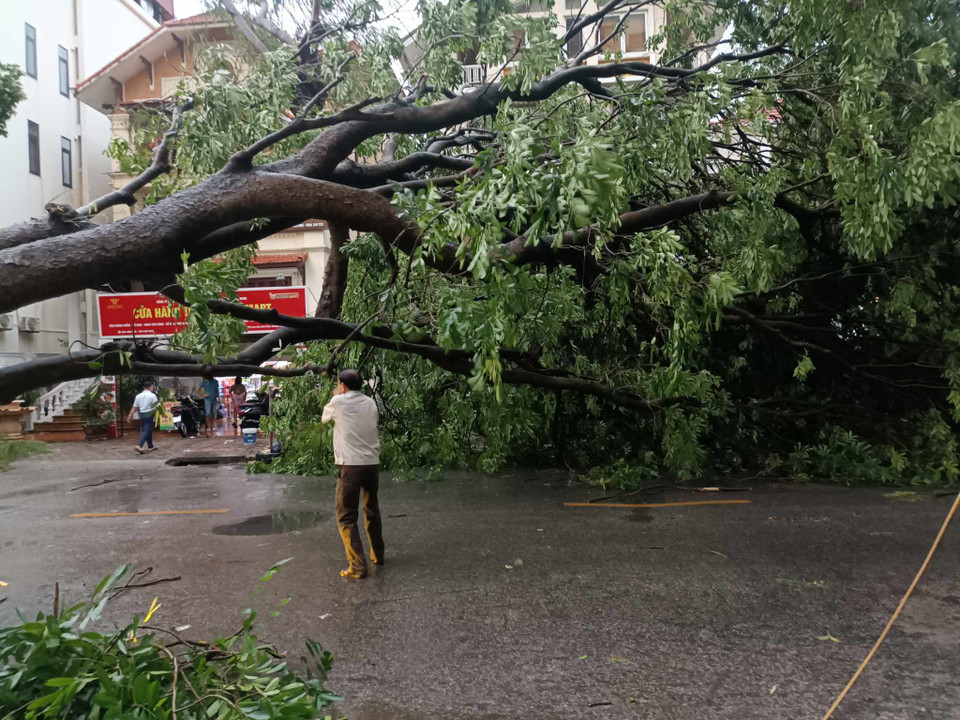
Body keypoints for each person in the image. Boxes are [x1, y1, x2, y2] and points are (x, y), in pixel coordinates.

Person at [321, 369, 384, 579]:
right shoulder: (370, 403)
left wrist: (335, 395)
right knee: (371, 508)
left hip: (350, 465)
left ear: (342, 385)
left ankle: (357, 566)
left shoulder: (338, 401)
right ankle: (378, 554)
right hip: (372, 463)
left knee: (346, 515)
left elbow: (324, 418)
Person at [128, 380, 159, 454]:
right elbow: (156, 406)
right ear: (150, 387)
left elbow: (134, 407)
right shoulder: (152, 395)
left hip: (141, 414)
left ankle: (150, 446)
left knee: (147, 429)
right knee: (147, 430)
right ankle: (139, 445)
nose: (153, 388)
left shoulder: (138, 396)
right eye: (152, 387)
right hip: (149, 414)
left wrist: (129, 415)